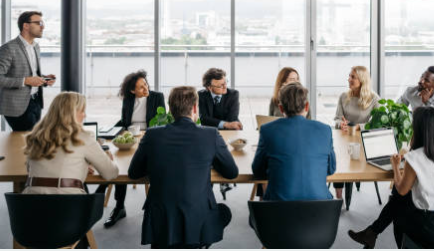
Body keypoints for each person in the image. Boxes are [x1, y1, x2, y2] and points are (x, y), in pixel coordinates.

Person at [129, 86, 238, 249]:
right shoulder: (210, 134)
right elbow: (231, 173)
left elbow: (134, 173)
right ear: (195, 108)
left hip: (161, 220)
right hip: (197, 218)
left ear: (170, 109)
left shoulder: (152, 135)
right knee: (224, 212)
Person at [348, 107, 434, 248]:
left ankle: (374, 234)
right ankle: (371, 233)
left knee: (398, 203)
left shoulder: (415, 157)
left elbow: (402, 189)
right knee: (402, 199)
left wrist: (396, 166)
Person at [100, 70, 166, 228]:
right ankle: (119, 207)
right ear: (132, 91)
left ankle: (156, 208)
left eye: (146, 84)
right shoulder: (128, 100)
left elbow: (162, 121)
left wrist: (147, 134)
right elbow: (124, 121)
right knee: (119, 165)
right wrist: (106, 132)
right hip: (130, 138)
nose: (146, 88)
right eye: (141, 87)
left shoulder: (157, 97)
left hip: (150, 138)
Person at [252, 82, 336, 200]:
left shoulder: (267, 130)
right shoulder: (325, 130)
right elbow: (331, 169)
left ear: (281, 109)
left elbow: (258, 171)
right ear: (307, 107)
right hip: (321, 212)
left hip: (277, 210)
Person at [23, 92, 118, 194]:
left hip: (30, 205)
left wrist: (81, 167)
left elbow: (31, 170)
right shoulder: (84, 137)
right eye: (82, 111)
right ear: (71, 113)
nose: (84, 115)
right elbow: (111, 174)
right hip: (69, 205)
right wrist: (110, 160)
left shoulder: (36, 136)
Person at [0, 11, 56, 131]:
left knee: (32, 142)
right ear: (26, 25)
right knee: (24, 143)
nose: (43, 26)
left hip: (35, 102)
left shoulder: (35, 46)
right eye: (39, 23)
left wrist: (44, 79)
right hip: (17, 106)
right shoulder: (8, 48)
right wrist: (25, 81)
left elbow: (32, 74)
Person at [333, 66, 380, 199]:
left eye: (353, 77)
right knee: (338, 162)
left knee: (352, 162)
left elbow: (380, 123)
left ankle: (354, 180)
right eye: (349, 76)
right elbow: (337, 118)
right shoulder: (343, 96)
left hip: (362, 141)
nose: (349, 79)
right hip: (343, 139)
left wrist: (359, 126)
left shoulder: (373, 98)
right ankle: (339, 196)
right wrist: (340, 124)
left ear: (362, 80)